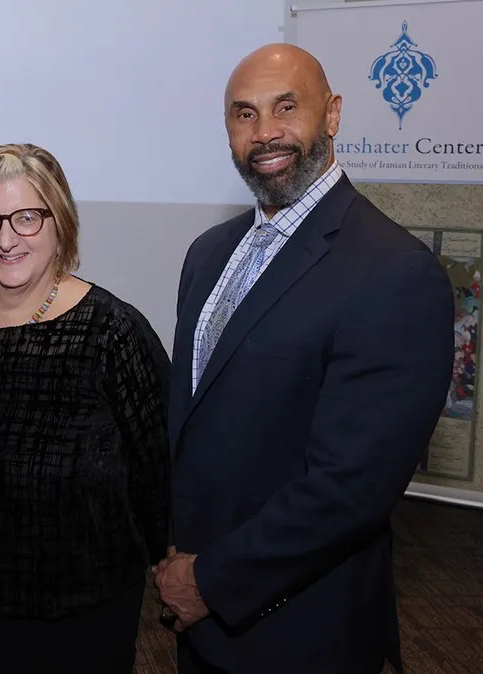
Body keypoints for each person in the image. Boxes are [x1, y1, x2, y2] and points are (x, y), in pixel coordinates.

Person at [155, 44, 454, 674]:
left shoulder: (395, 271)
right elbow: (198, 422)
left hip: (301, 629)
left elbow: (352, 488)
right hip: (200, 622)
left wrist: (210, 581)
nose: (264, 133)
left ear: (334, 114)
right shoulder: (208, 254)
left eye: (285, 108)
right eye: (244, 114)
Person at [0, 143, 171, 673]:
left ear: (60, 222)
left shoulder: (112, 332)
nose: (6, 239)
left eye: (26, 218)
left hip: (74, 625)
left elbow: (158, 476)